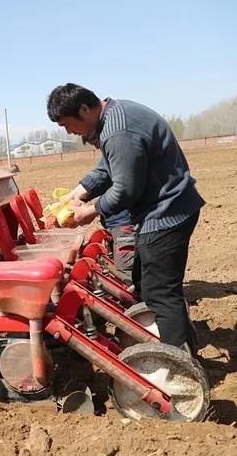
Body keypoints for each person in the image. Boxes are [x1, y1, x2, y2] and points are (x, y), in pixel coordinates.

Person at [46, 83, 205, 351]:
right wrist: (77, 194)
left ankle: (178, 364)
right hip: (164, 209)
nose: (70, 132)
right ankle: (173, 341)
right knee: (146, 280)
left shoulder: (118, 131)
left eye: (67, 124)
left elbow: (125, 189)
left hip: (166, 213)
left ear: (84, 109)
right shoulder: (115, 117)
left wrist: (91, 211)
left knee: (161, 293)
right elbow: (108, 167)